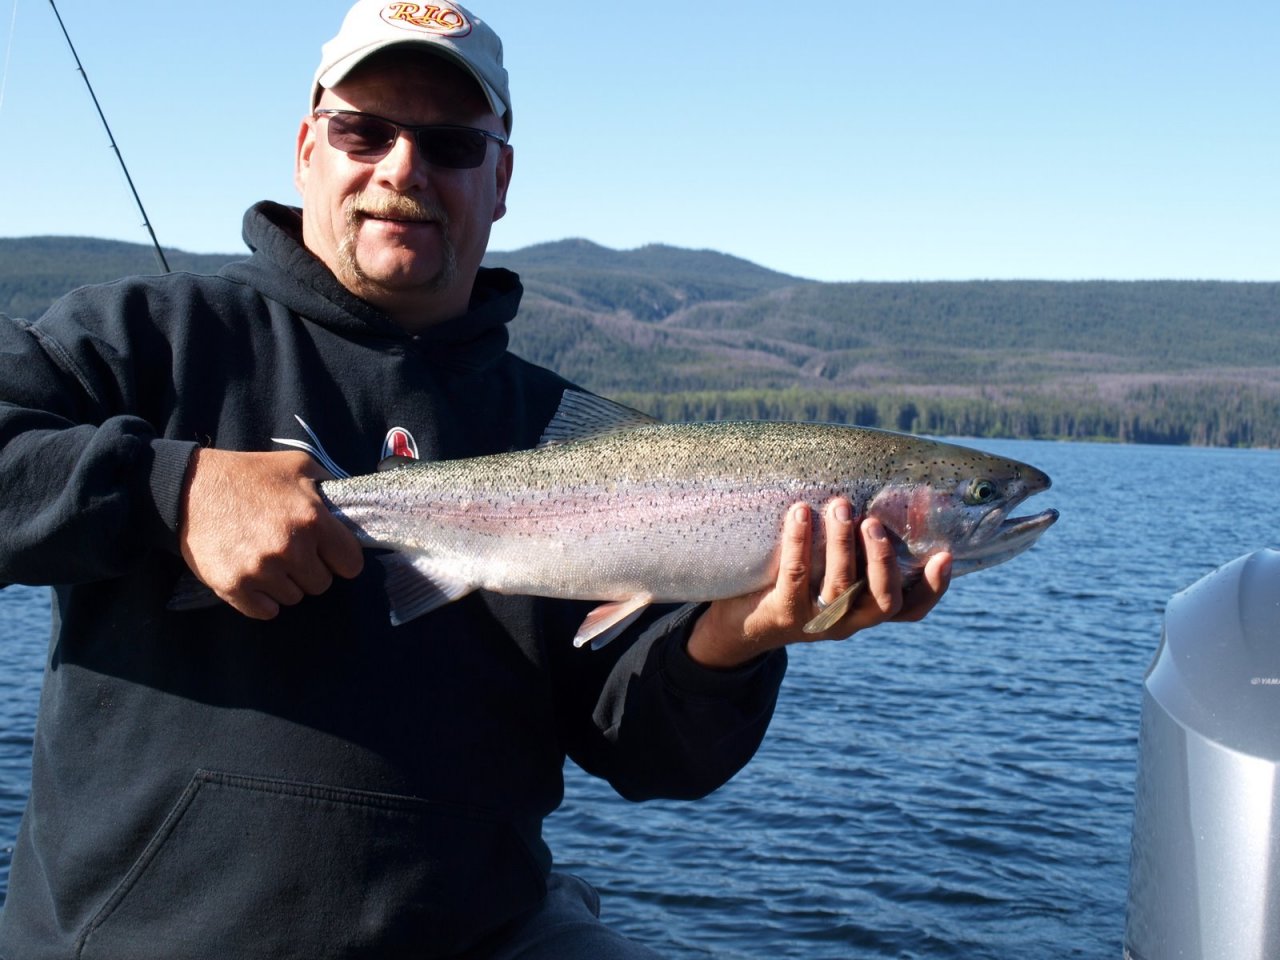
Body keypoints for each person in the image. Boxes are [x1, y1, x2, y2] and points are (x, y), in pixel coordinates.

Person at [0, 1, 951, 956]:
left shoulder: (583, 443)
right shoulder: (150, 337)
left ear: (500, 180)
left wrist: (741, 633)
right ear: (306, 149)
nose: (402, 168)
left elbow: (651, 752)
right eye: (364, 131)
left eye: (451, 144)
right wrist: (174, 490)